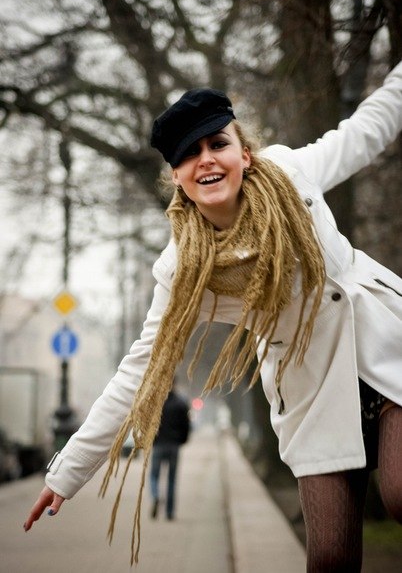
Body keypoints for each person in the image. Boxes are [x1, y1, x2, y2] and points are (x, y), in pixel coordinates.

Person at [24, 61, 402, 571]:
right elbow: (140, 374)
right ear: (177, 177)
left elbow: (364, 132)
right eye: (189, 154)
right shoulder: (184, 271)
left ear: (244, 153)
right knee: (330, 557)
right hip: (314, 390)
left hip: (384, 348)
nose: (206, 159)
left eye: (217, 144)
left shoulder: (290, 174)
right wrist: (65, 473)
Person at [149, 384, 190, 521]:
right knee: (172, 479)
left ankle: (155, 495)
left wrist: (151, 440)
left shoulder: (156, 403)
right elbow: (186, 425)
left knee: (154, 475)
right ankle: (169, 512)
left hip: (159, 444)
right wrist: (182, 440)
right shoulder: (181, 403)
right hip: (174, 445)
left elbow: (149, 423)